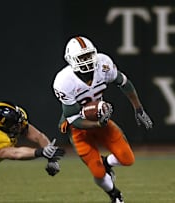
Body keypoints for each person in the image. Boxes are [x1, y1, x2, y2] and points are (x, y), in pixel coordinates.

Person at [52, 36, 153, 203]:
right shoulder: (64, 82)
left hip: (101, 121)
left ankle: (107, 163)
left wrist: (138, 108)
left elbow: (124, 83)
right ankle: (115, 195)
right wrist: (98, 122)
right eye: (82, 57)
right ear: (71, 59)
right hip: (79, 128)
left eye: (89, 55)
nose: (87, 61)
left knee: (127, 159)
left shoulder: (103, 64)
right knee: (98, 174)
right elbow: (73, 119)